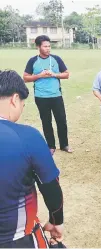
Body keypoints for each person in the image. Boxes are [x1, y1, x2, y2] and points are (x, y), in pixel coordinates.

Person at [0, 70, 64, 248]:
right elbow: (51, 186)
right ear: (14, 99)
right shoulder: (27, 136)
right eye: (22, 104)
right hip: (17, 239)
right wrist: (55, 220)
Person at [23, 35, 72, 156]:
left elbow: (66, 74)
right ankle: (51, 146)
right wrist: (39, 75)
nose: (48, 48)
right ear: (38, 47)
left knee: (61, 120)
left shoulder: (56, 59)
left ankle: (64, 144)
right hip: (41, 97)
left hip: (56, 95)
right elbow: (25, 77)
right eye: (45, 46)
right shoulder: (33, 61)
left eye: (49, 46)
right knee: (46, 122)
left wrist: (54, 74)